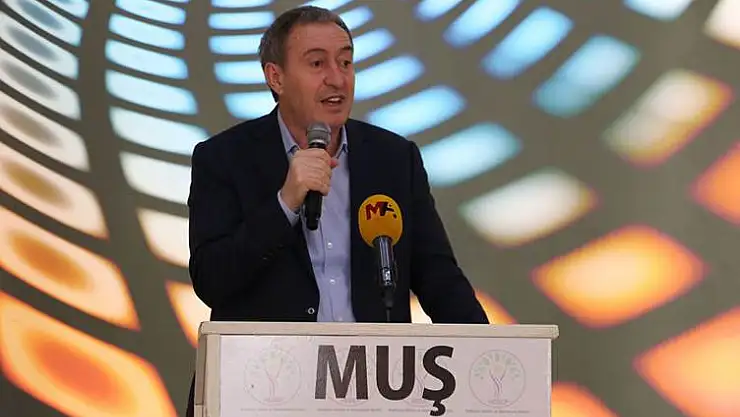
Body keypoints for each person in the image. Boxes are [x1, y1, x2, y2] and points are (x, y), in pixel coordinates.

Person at [184, 5, 488, 416]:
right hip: (263, 391)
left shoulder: (393, 158)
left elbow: (438, 277)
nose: (337, 78)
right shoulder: (224, 158)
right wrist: (285, 203)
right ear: (276, 77)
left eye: (345, 62)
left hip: (373, 392)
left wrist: (488, 355)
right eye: (317, 63)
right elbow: (212, 279)